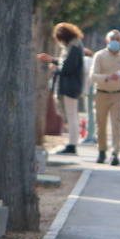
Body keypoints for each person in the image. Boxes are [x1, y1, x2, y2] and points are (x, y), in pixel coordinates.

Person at [37, 23, 86, 154]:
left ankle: (72, 144)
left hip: (70, 86)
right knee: (70, 115)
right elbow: (65, 62)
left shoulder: (74, 47)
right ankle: (71, 142)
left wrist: (56, 68)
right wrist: (52, 60)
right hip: (70, 85)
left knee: (71, 116)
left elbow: (68, 67)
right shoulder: (73, 46)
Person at [90, 28, 120, 165]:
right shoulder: (99, 56)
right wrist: (107, 77)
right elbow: (93, 76)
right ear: (107, 40)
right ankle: (101, 151)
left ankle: (115, 153)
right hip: (101, 94)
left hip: (118, 94)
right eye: (112, 39)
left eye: (117, 39)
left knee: (116, 125)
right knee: (100, 125)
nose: (115, 41)